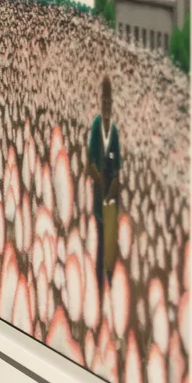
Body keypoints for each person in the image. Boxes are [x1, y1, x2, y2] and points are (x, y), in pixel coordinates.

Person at [86, 73, 122, 289]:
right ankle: (100, 287)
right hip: (100, 197)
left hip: (110, 201)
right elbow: (90, 162)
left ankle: (108, 283)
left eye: (110, 103)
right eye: (104, 102)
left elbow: (117, 168)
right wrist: (100, 183)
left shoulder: (115, 133)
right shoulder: (96, 126)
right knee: (100, 245)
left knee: (110, 246)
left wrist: (111, 192)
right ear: (101, 103)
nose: (107, 106)